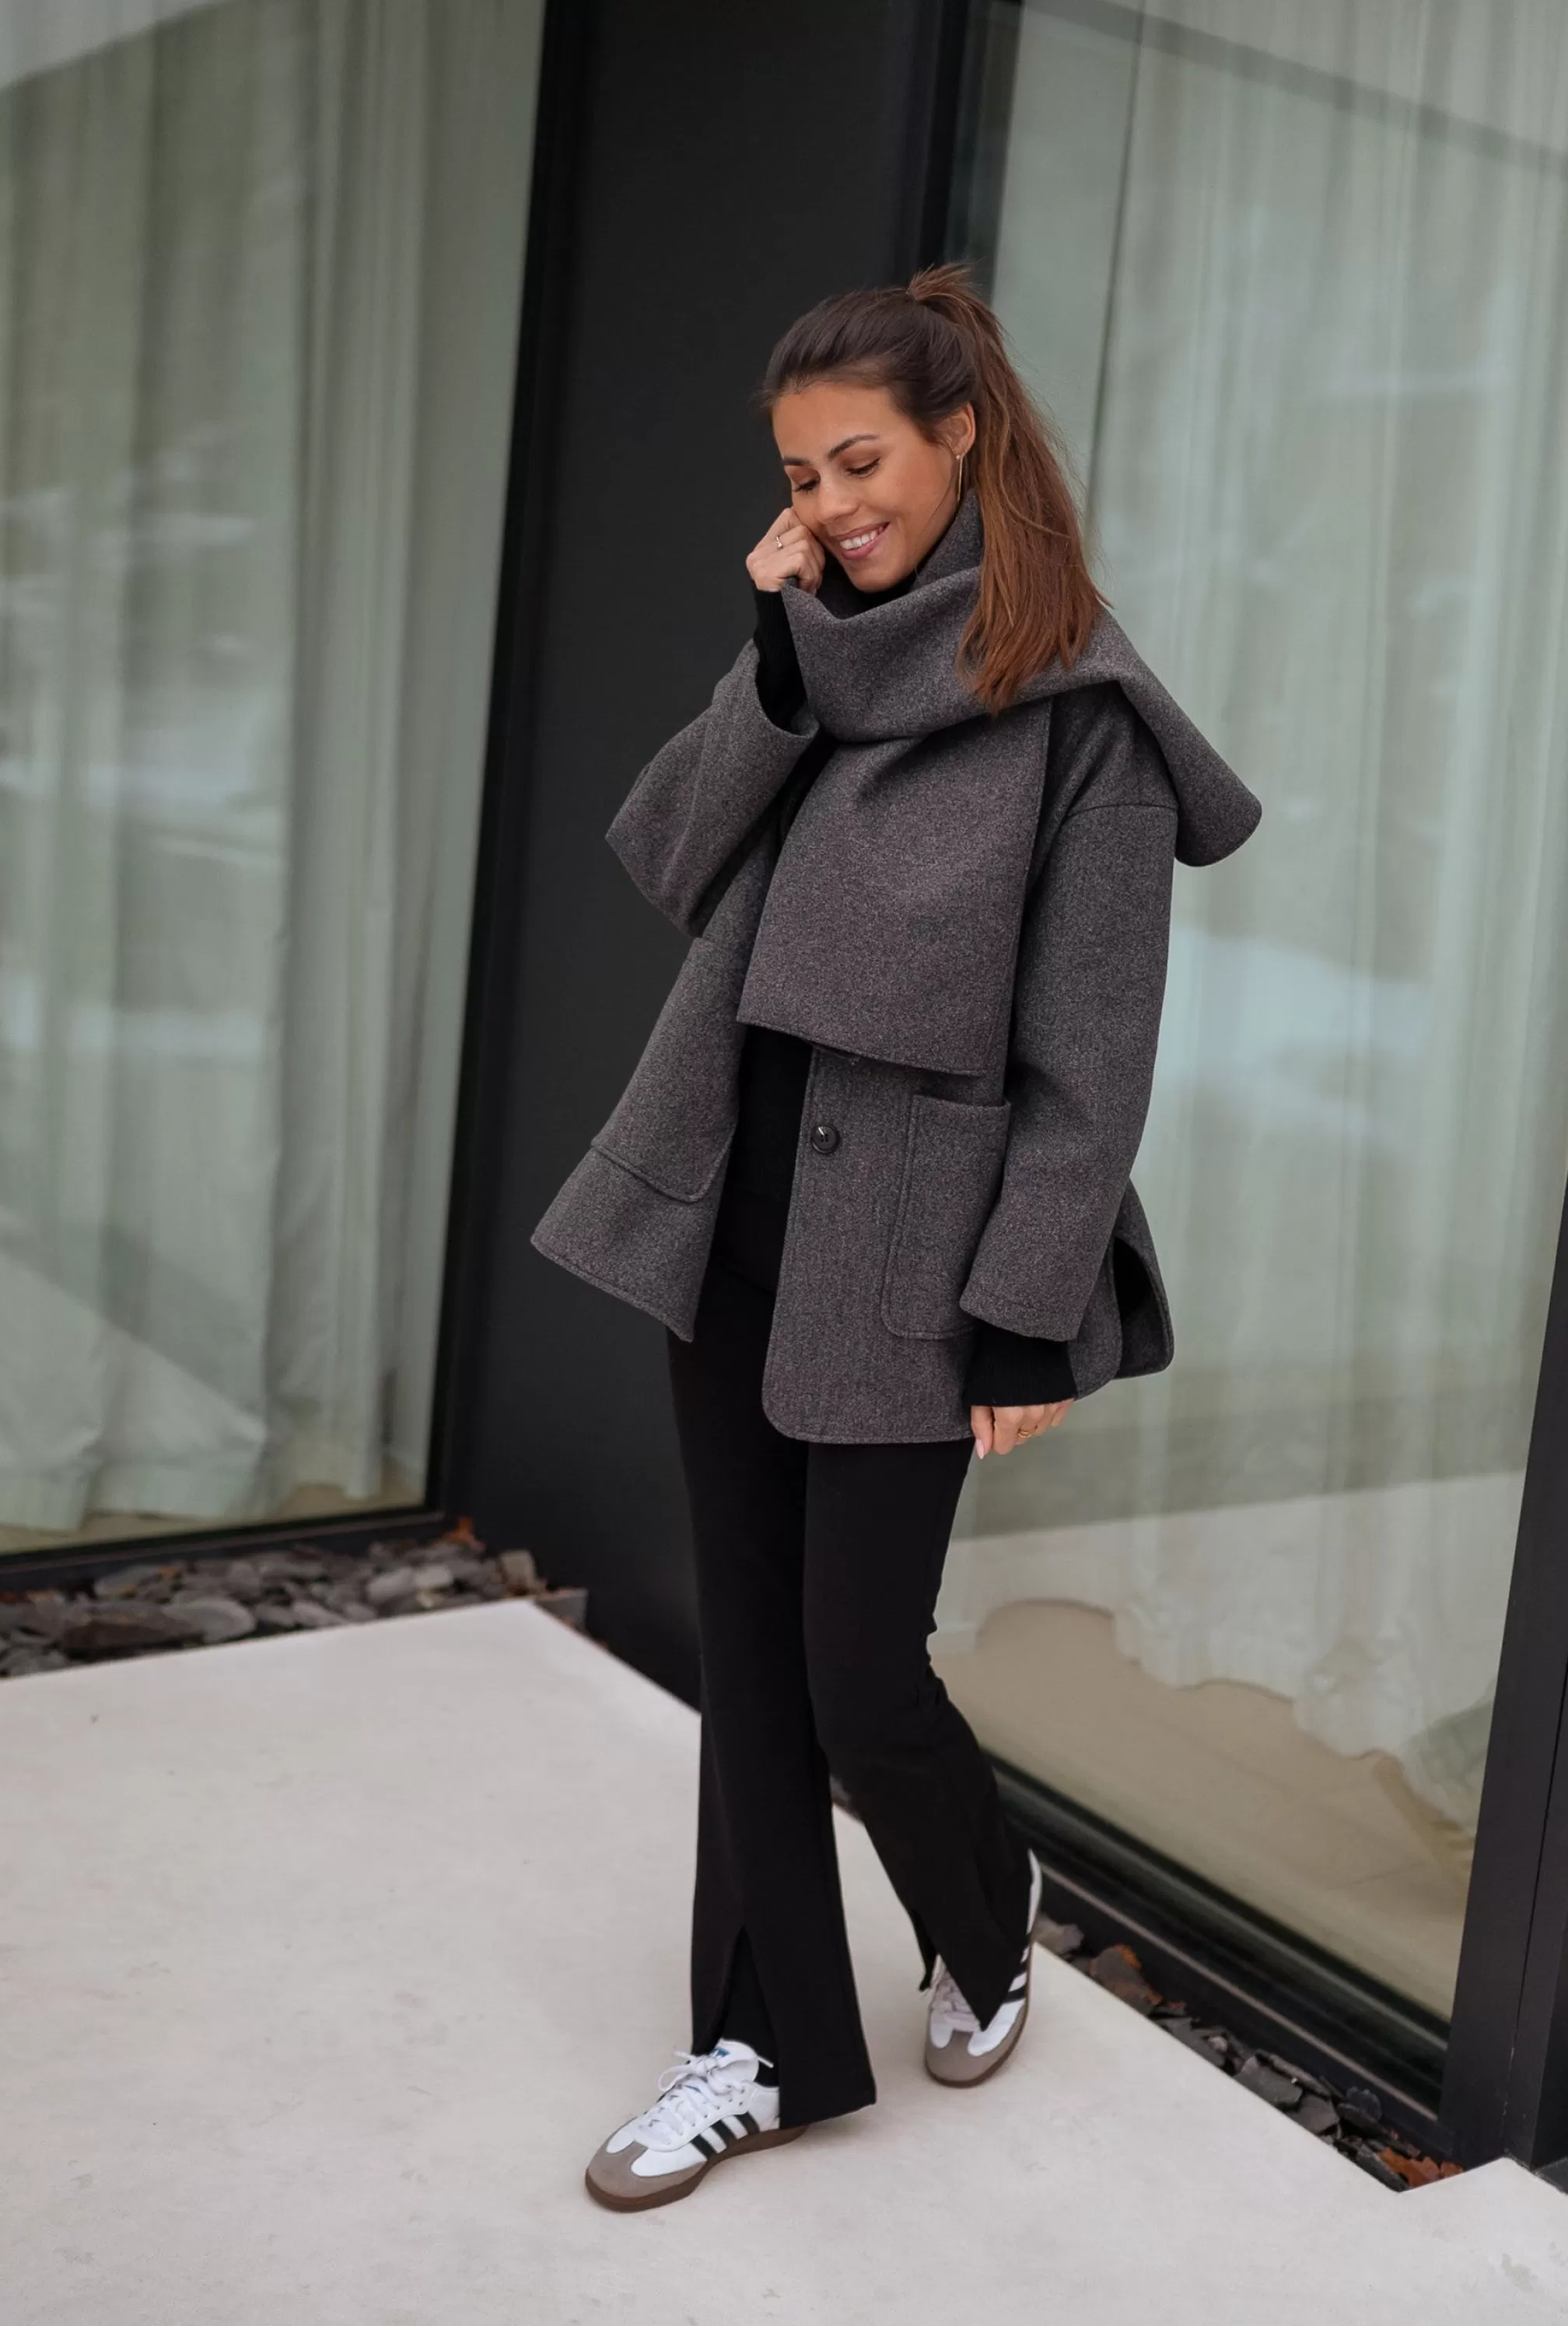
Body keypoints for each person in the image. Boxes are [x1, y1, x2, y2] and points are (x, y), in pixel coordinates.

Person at [530, 264, 1262, 2211]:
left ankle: (985, 1910)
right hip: (731, 1209)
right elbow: (666, 852)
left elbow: (1090, 1060)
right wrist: (772, 649)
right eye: (801, 474)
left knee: (858, 1671)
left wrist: (1027, 1313)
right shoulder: (811, 663)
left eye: (861, 461)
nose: (833, 503)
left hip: (913, 1253)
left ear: (961, 438)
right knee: (751, 1656)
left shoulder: (1082, 719)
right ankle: (758, 2042)